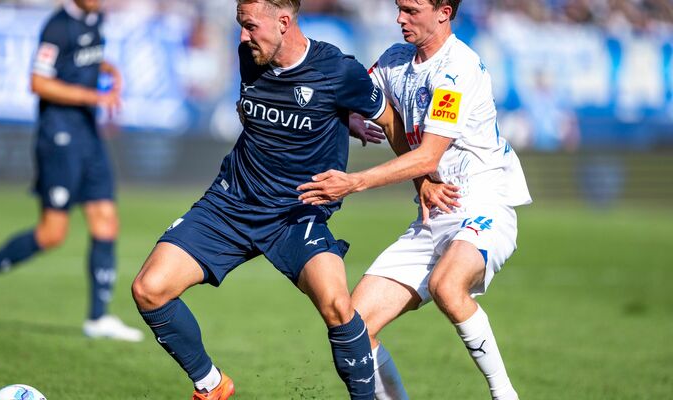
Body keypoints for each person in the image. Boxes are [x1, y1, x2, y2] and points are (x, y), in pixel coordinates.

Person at [130, 1, 403, 398]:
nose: (242, 36)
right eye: (240, 26)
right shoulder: (250, 55)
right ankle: (212, 385)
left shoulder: (339, 70)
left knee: (340, 309)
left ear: (284, 22)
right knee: (149, 289)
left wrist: (423, 180)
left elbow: (391, 121)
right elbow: (262, 110)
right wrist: (340, 117)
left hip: (296, 214)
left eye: (250, 26)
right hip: (230, 204)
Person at [297, 1, 532, 399]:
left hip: (482, 202)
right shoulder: (395, 60)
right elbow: (362, 101)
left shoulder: (456, 70)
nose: (399, 18)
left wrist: (354, 182)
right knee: (354, 329)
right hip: (433, 209)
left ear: (443, 11)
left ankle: (504, 393)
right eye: (398, 8)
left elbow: (428, 155)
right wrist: (353, 118)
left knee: (446, 285)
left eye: (411, 9)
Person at [0, 0, 142, 342]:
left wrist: (108, 69)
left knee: (106, 220)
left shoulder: (95, 18)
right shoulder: (57, 26)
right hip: (60, 134)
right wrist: (92, 96)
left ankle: (98, 317)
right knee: (53, 233)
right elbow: (38, 82)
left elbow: (83, 61)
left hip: (88, 133)